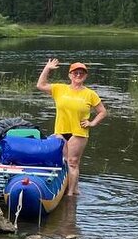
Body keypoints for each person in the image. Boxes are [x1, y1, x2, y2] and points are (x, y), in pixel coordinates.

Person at [36, 58, 107, 197]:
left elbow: (103, 112)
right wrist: (47, 68)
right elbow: (40, 85)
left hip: (79, 132)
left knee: (73, 162)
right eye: (75, 73)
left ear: (85, 76)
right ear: (70, 75)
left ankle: (71, 194)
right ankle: (66, 187)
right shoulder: (59, 89)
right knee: (63, 161)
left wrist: (92, 123)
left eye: (81, 73)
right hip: (60, 131)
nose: (78, 75)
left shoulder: (90, 94)